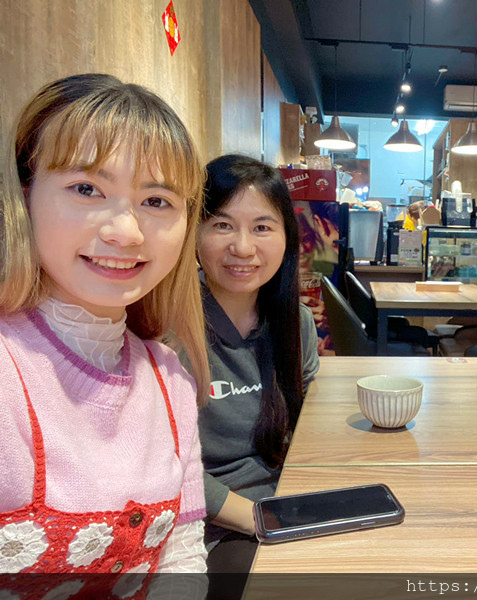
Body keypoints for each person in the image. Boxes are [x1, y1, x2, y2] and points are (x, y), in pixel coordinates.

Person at [0, 74, 210, 586]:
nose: (126, 232)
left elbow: (182, 556)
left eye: (156, 201)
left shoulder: (169, 378)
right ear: (24, 195)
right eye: (86, 189)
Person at [193, 155, 319, 581]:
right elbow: (164, 469)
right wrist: (265, 520)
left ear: (286, 236)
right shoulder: (169, 331)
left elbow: (309, 428)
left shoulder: (295, 322)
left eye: (262, 227)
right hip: (211, 526)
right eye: (222, 225)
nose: (243, 248)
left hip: (287, 502)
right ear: (193, 232)